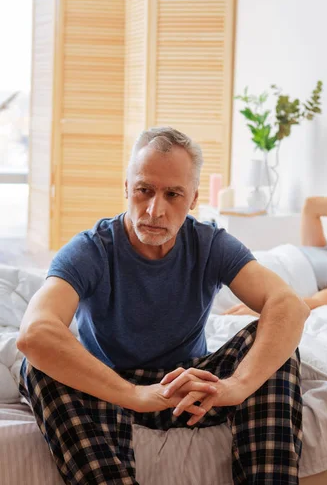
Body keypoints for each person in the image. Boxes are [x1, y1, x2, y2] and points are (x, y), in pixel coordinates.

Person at [17, 126, 310, 485]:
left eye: (173, 194)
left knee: (277, 343)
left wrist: (235, 387)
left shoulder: (210, 244)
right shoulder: (91, 249)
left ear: (193, 199)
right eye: (144, 190)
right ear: (126, 188)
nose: (155, 209)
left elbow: (288, 305)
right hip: (110, 387)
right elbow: (34, 333)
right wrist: (136, 395)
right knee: (37, 365)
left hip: (192, 388)